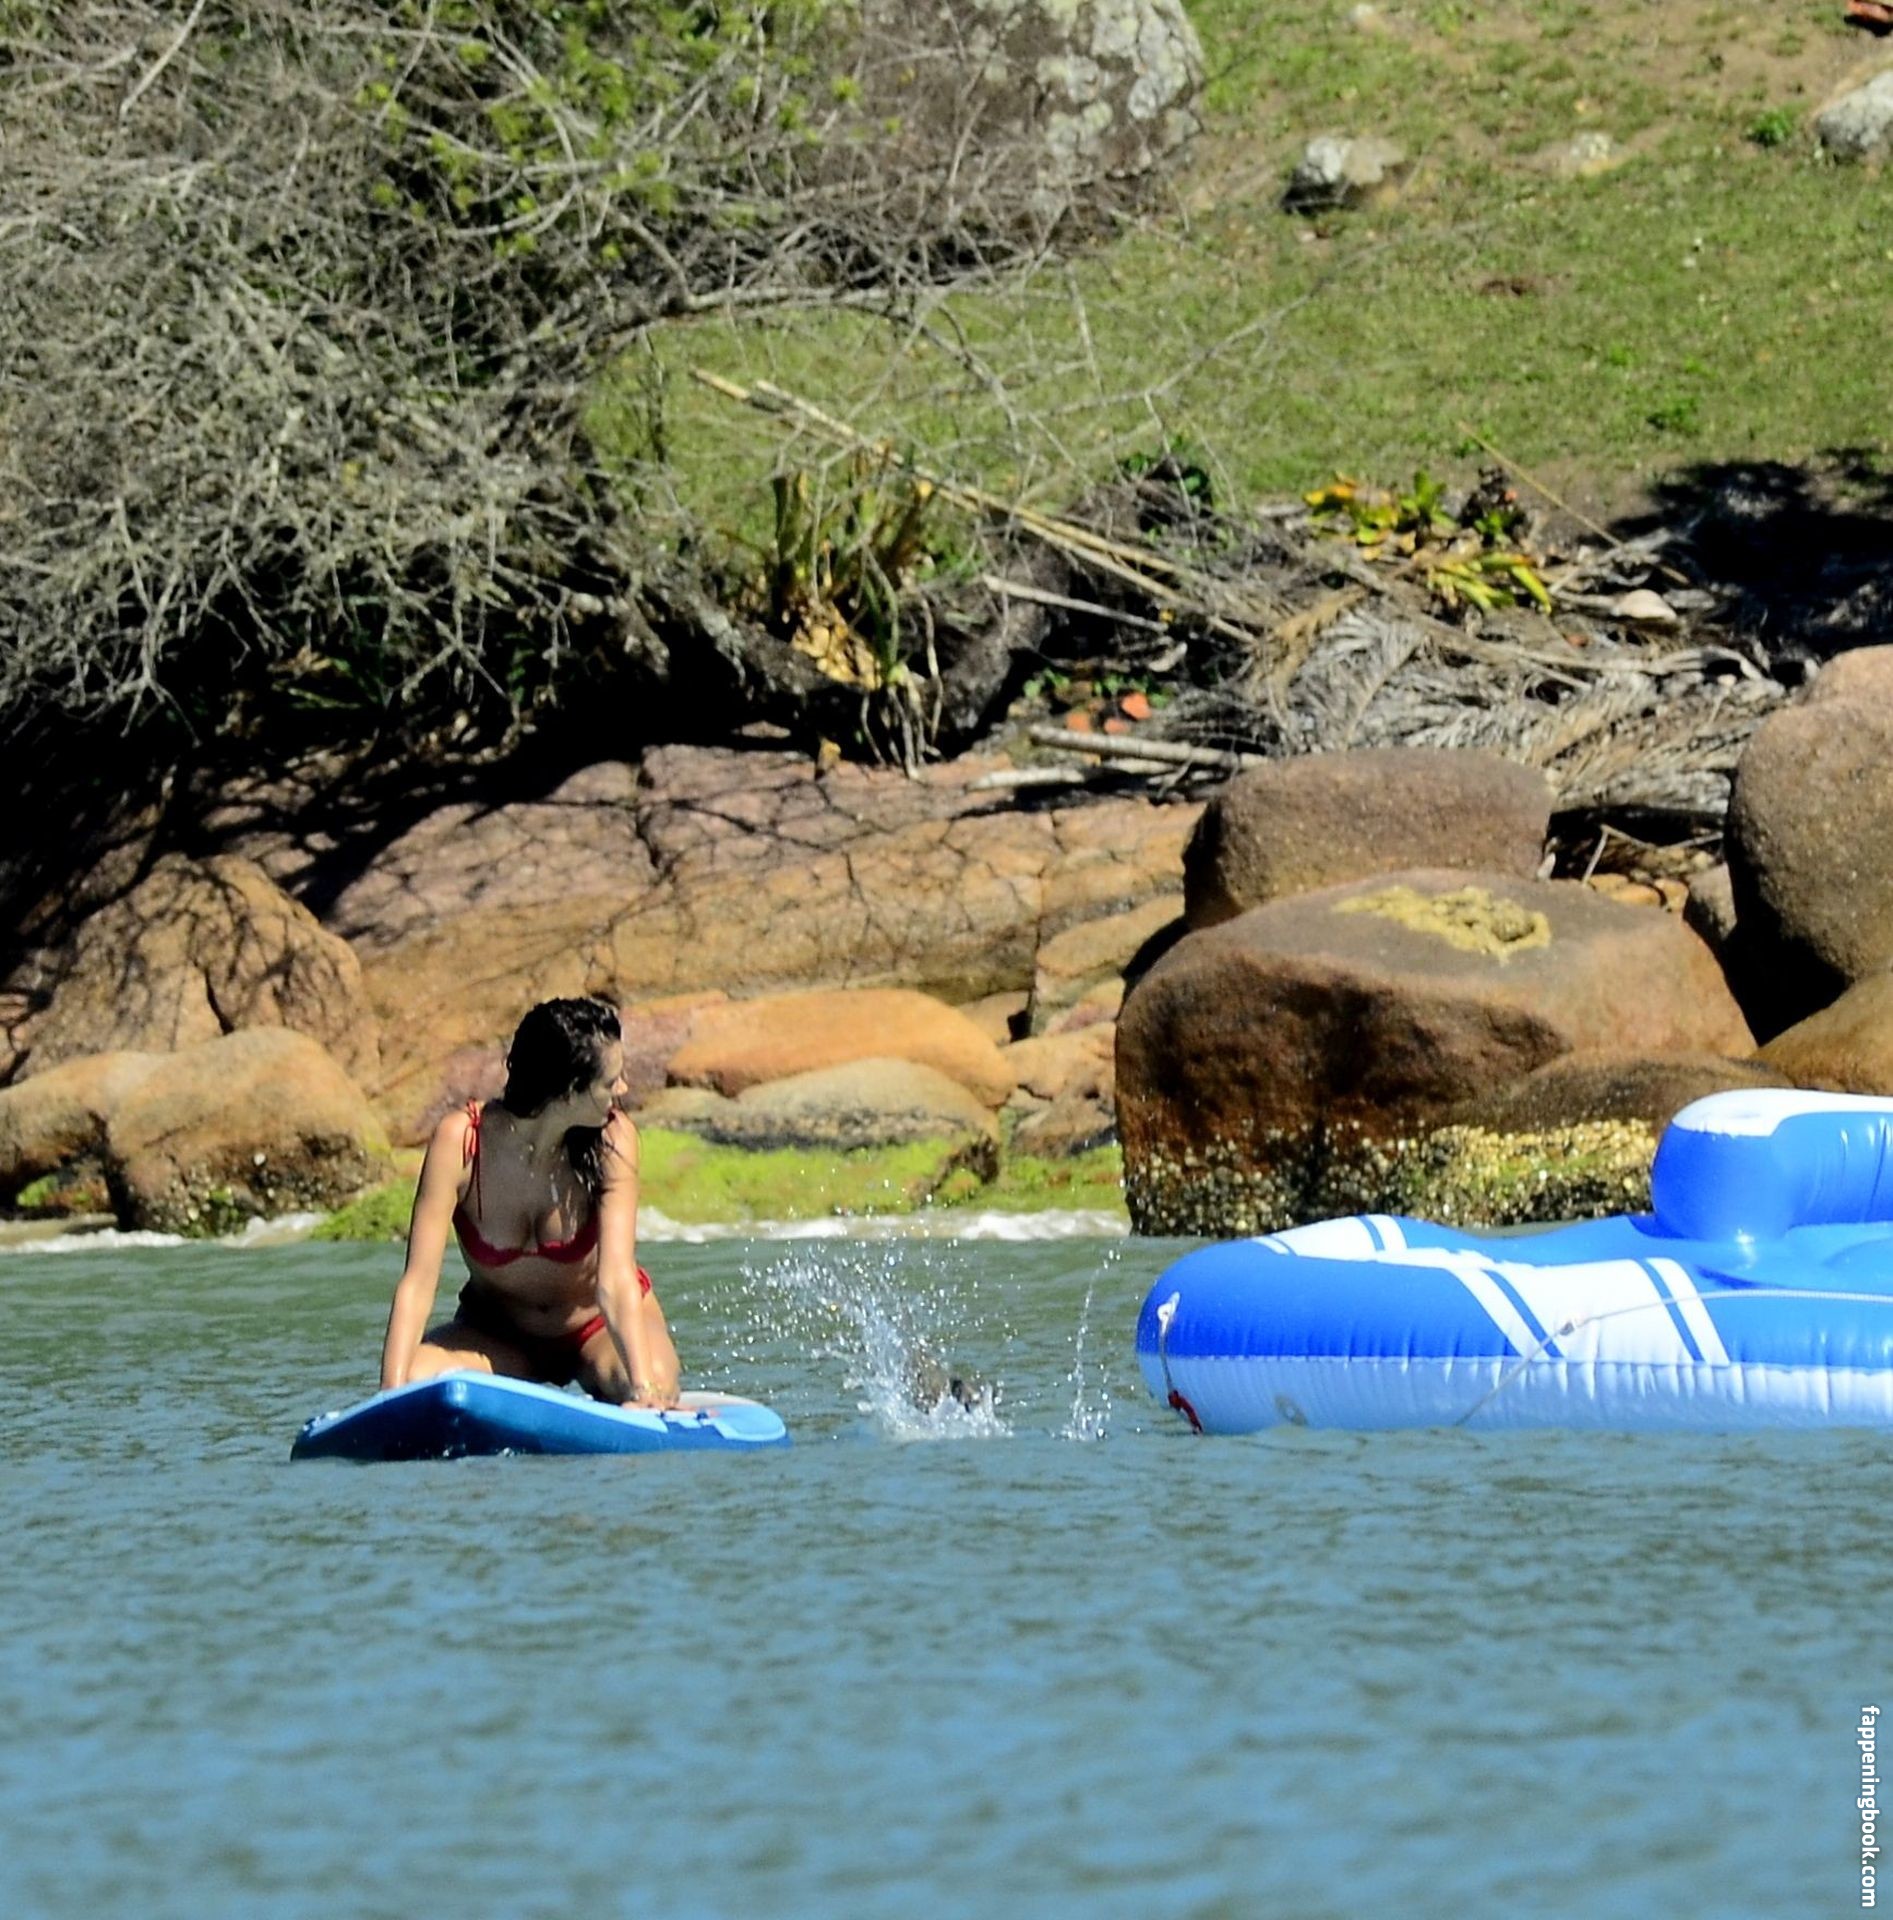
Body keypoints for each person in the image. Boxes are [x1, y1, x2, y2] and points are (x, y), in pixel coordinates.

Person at [379, 997, 681, 1408]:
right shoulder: (461, 1142)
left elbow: (616, 1279)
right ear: (568, 1091)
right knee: (416, 1379)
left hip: (597, 1330)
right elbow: (418, 1283)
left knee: (652, 1380)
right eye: (610, 1081)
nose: (623, 1089)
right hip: (499, 1338)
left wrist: (643, 1390)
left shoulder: (612, 1140)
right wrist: (391, 1395)